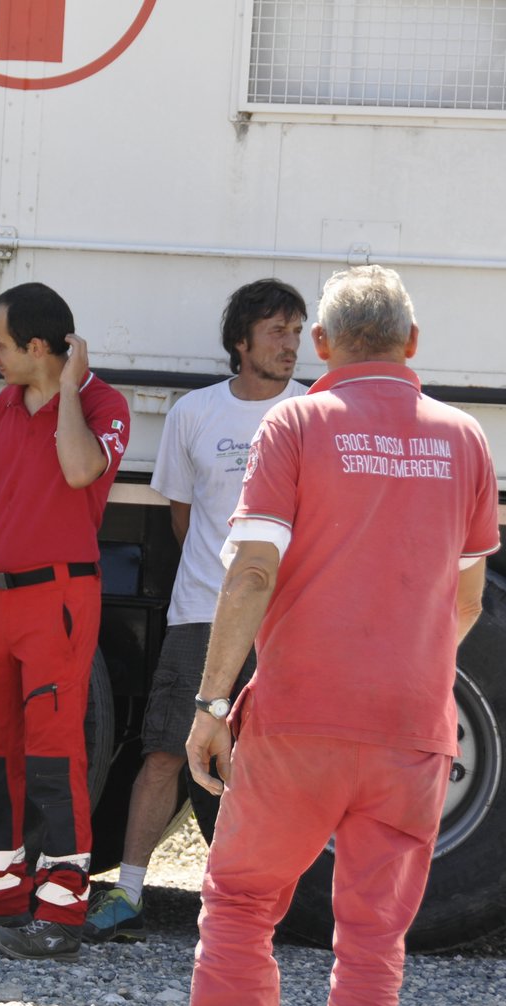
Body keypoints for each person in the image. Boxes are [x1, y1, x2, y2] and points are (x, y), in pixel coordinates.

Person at [185, 266, 498, 1006]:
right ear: (413, 343)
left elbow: (253, 571)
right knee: (372, 940)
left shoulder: (296, 425)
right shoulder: (465, 439)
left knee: (242, 901)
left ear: (321, 343)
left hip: (297, 717)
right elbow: (466, 604)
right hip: (411, 728)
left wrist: (212, 704)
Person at [83, 278, 308, 943]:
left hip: (285, 621)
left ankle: (249, 907)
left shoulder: (315, 413)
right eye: (277, 331)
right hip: (200, 616)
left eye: (297, 331)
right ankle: (126, 893)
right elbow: (185, 521)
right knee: (164, 752)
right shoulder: (194, 414)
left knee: (270, 766)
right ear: (240, 342)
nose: (291, 344)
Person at [0, 282, 130, 962]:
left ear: (40, 348)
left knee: (51, 753)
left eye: (0, 344)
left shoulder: (102, 404)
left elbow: (77, 469)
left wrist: (67, 388)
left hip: (58, 600)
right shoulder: (6, 404)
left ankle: (61, 912)